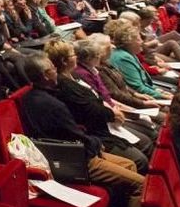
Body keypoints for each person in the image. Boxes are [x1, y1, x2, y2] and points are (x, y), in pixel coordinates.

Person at [18, 56, 147, 207]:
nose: (56, 70)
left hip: (73, 152)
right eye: (53, 68)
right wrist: (96, 142)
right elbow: (77, 138)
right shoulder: (52, 104)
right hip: (77, 160)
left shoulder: (31, 97)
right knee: (141, 184)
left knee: (129, 165)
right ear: (47, 75)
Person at [45, 40, 150, 171]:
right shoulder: (65, 85)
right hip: (97, 133)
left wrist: (112, 110)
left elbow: (98, 97)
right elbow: (90, 110)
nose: (76, 56)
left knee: (146, 136)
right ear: (64, 61)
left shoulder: (75, 76)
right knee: (140, 158)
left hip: (108, 122)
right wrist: (112, 114)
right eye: (72, 54)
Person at [105, 18, 173, 99]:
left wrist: (158, 90)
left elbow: (143, 84)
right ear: (129, 41)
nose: (142, 42)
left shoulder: (129, 53)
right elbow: (138, 88)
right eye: (138, 39)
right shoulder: (123, 58)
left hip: (146, 90)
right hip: (138, 98)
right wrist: (161, 95)